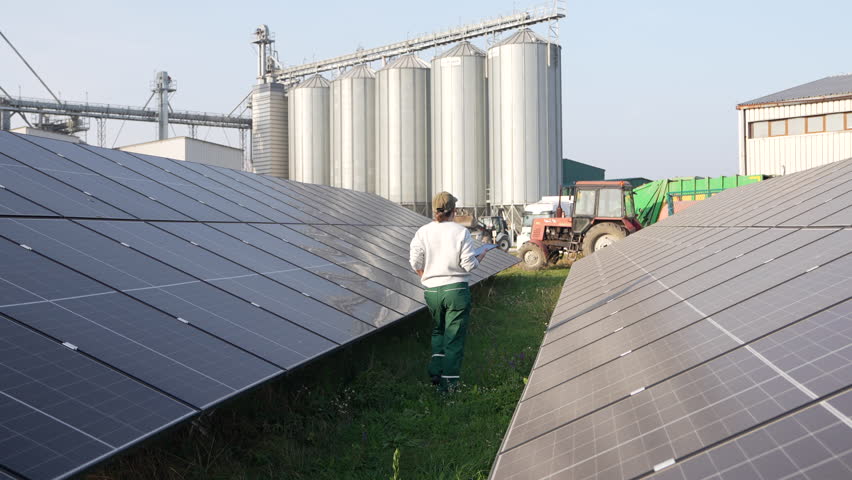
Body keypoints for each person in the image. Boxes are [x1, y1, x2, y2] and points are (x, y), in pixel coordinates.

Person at [409, 192, 488, 392]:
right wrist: (481, 257)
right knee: (454, 336)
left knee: (439, 330)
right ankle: (449, 386)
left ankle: (436, 372)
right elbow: (469, 265)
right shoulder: (460, 232)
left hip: (432, 291)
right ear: (454, 210)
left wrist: (425, 275)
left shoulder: (423, 231)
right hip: (456, 291)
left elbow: (415, 261)